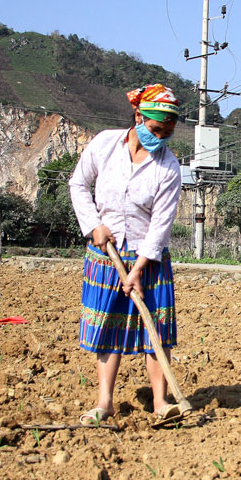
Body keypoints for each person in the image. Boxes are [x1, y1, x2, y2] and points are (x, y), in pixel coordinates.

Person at [68, 83, 183, 424]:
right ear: (138, 117)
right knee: (108, 327)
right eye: (155, 129)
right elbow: (78, 184)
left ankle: (161, 403)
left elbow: (161, 224)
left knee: (155, 330)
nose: (160, 138)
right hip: (106, 254)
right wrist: (93, 226)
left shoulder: (169, 168)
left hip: (148, 260)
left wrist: (139, 268)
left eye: (167, 133)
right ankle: (104, 403)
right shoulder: (104, 143)